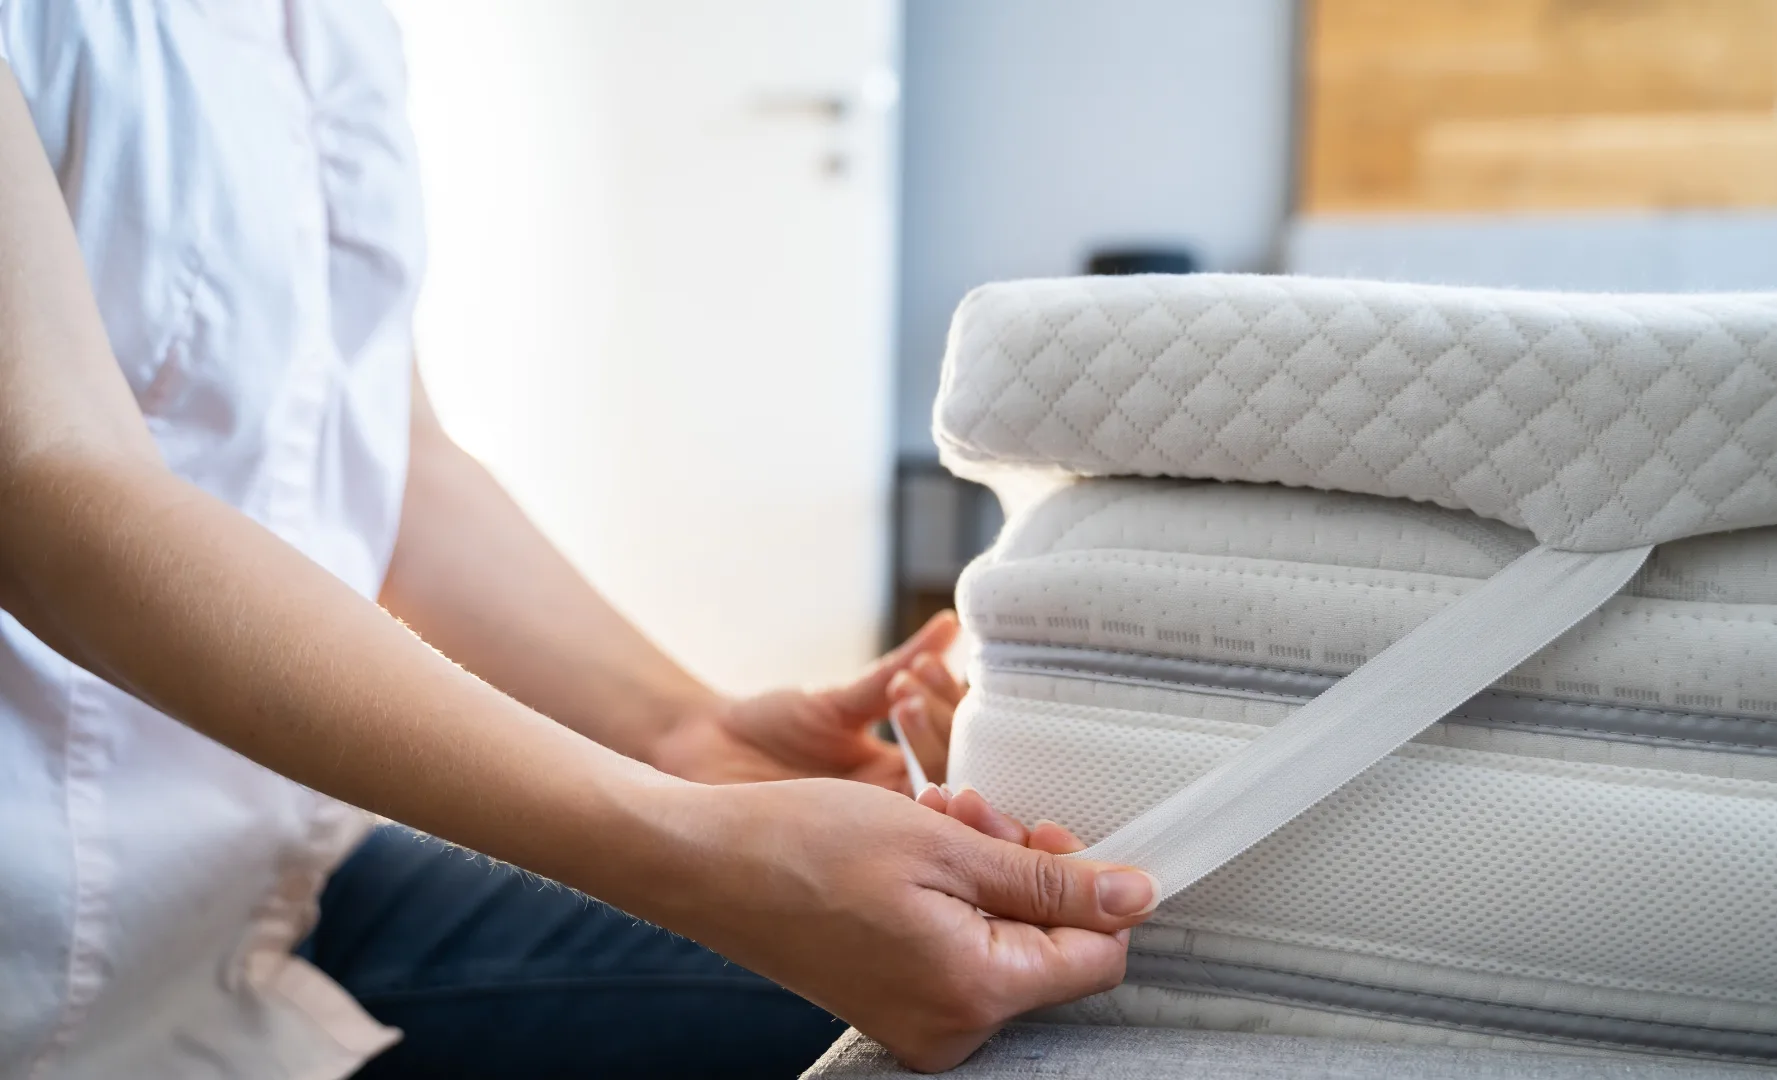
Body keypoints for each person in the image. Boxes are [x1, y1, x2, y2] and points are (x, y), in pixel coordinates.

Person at [0, 3, 1158, 1078]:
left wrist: (684, 731)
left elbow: (394, 462)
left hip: (262, 880)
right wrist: (691, 847)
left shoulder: (327, 25)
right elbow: (54, 489)